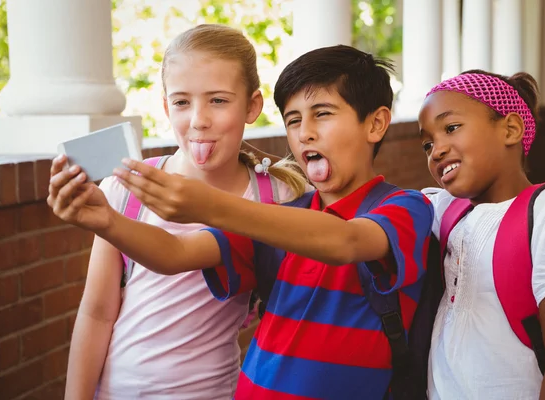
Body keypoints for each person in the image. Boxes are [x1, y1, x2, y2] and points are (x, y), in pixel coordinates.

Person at [48, 45, 434, 399]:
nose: (305, 133)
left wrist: (209, 206)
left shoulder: (404, 207)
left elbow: (347, 242)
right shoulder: (281, 216)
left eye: (323, 114)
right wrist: (106, 222)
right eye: (293, 120)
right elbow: (175, 252)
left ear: (376, 124)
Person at [55, 24, 308, 400]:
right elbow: (97, 314)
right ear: (165, 106)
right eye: (182, 102)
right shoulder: (124, 189)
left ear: (252, 106)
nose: (198, 120)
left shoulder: (278, 195)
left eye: (218, 100)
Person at [418, 70, 545, 399]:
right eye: (428, 143)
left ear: (511, 129)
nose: (436, 151)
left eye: (451, 128)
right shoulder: (446, 209)